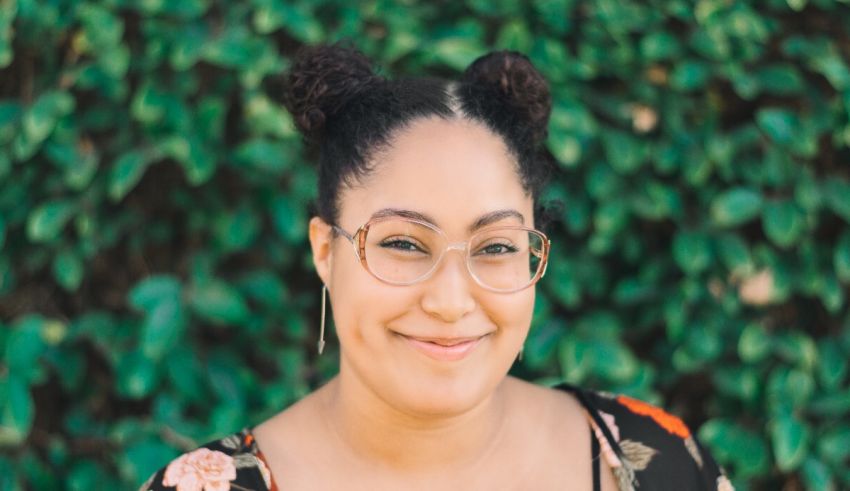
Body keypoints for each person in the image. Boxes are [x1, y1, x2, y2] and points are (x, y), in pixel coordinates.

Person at [140, 42, 733, 491]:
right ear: (326, 251)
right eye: (402, 243)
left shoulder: (651, 460)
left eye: (496, 247)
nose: (451, 301)